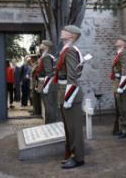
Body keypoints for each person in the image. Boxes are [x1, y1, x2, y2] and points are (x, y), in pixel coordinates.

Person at [54, 25, 85, 169]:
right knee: (68, 128)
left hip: (69, 94)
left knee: (74, 129)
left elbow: (73, 77)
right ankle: (72, 154)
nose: (62, 31)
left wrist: (67, 98)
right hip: (65, 92)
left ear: (71, 36)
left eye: (65, 30)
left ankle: (78, 158)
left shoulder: (71, 50)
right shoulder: (67, 49)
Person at [110, 35, 126, 139]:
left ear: (124, 44)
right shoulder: (119, 54)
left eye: (119, 40)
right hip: (117, 83)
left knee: (124, 109)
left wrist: (121, 86)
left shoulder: (124, 54)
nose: (117, 40)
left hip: (122, 85)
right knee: (120, 109)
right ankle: (121, 128)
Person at [35, 40, 60, 123]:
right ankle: (50, 123)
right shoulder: (47, 56)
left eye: (42, 44)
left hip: (46, 83)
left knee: (49, 105)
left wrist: (45, 86)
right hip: (47, 82)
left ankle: (50, 124)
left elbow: (49, 73)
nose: (40, 45)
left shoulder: (46, 57)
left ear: (46, 46)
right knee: (49, 105)